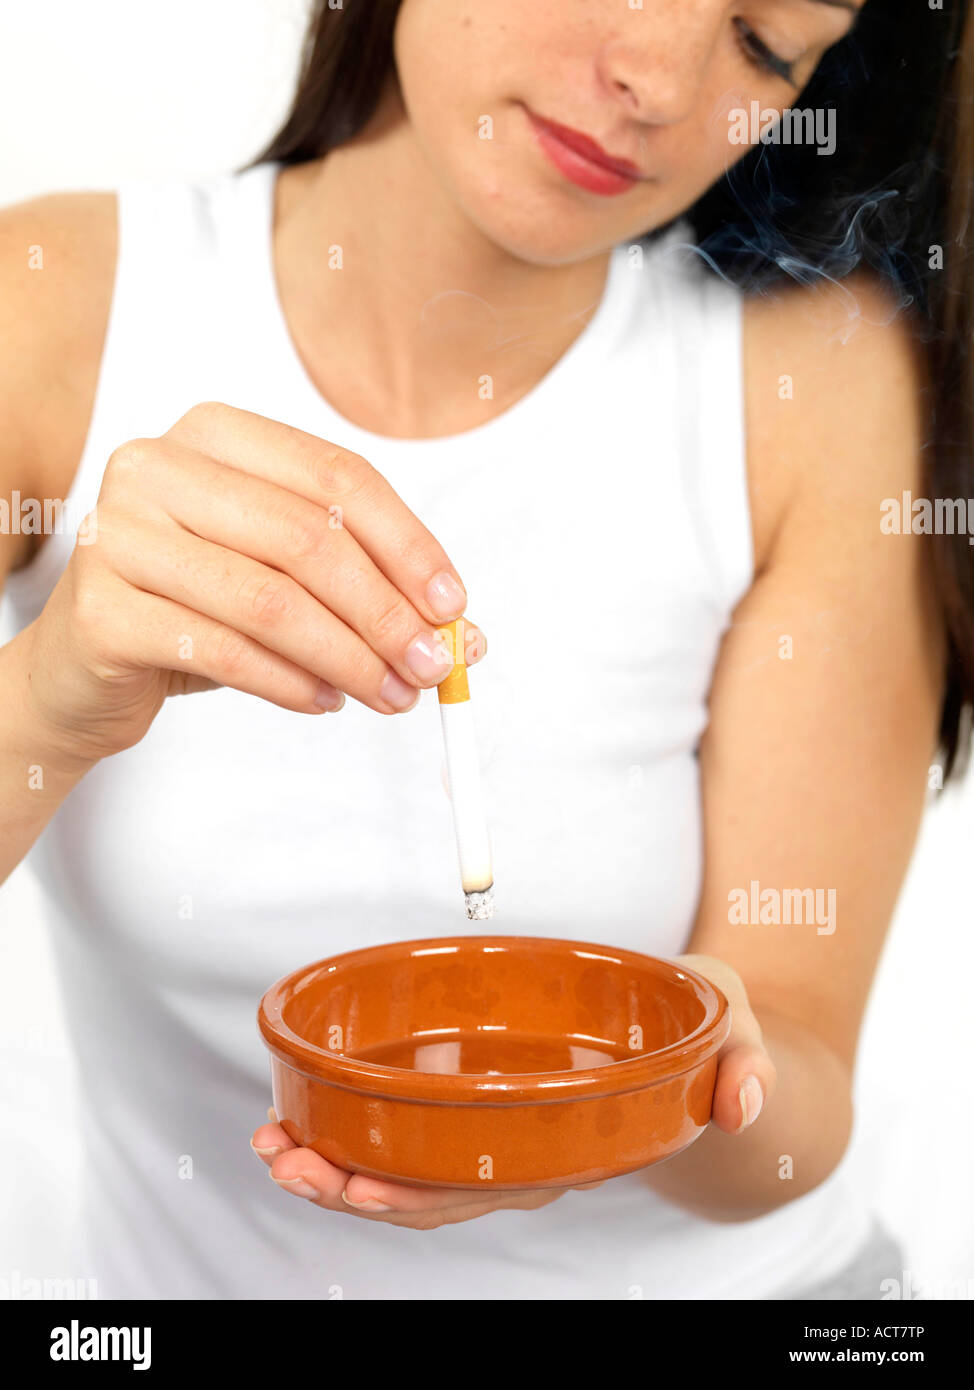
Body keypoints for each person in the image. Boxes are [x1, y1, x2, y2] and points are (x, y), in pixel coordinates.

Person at [1, 0, 971, 1299]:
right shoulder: (53, 313)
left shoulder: (814, 386)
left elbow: (796, 1092)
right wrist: (49, 703)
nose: (653, 80)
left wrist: (687, 1075)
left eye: (758, 43)